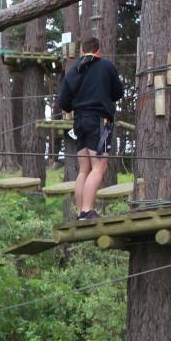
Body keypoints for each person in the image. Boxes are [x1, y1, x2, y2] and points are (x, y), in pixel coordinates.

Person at [57, 36, 125, 221]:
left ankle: (80, 212)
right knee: (99, 165)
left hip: (79, 122)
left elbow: (64, 103)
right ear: (98, 51)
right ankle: (87, 211)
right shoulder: (105, 66)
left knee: (84, 168)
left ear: (81, 51)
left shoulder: (73, 71)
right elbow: (118, 93)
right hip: (99, 121)